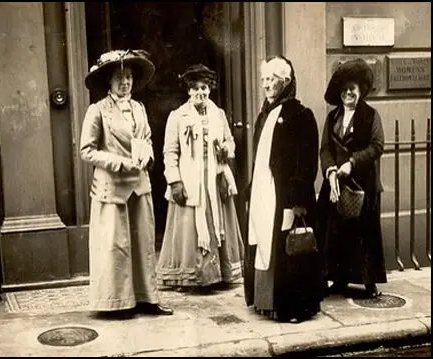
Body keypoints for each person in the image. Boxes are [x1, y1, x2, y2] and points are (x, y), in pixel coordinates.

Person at [80, 49, 173, 318]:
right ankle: (117, 302)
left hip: (139, 185)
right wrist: (118, 162)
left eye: (129, 77)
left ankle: (147, 298)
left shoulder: (139, 108)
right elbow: (87, 150)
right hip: (112, 188)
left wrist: (148, 156)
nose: (125, 83)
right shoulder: (97, 111)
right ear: (109, 81)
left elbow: (146, 140)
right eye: (120, 77)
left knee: (143, 243)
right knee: (115, 246)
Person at [243, 56, 323, 323]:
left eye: (272, 80)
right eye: (264, 79)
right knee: (266, 243)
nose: (266, 85)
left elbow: (308, 162)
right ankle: (266, 302)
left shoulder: (301, 115)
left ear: (286, 82)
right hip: (265, 193)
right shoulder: (264, 113)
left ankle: (294, 308)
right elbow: (260, 158)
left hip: (288, 196)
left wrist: (297, 199)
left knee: (288, 247)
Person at [156, 64, 244, 291]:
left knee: (219, 224)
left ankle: (220, 275)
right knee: (189, 229)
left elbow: (230, 142)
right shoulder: (177, 117)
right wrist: (175, 181)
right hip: (190, 179)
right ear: (188, 91)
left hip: (215, 178)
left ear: (210, 89)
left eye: (204, 88)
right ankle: (190, 277)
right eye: (195, 89)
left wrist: (226, 149)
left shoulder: (218, 114)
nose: (200, 93)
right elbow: (170, 152)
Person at [316, 58, 387, 298]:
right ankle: (338, 279)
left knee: (363, 233)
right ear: (340, 93)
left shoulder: (371, 116)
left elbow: (377, 146)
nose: (348, 93)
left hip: (363, 184)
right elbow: (324, 149)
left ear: (360, 92)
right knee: (335, 233)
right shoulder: (332, 117)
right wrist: (330, 170)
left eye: (353, 90)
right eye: (345, 90)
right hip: (336, 184)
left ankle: (369, 282)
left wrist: (352, 162)